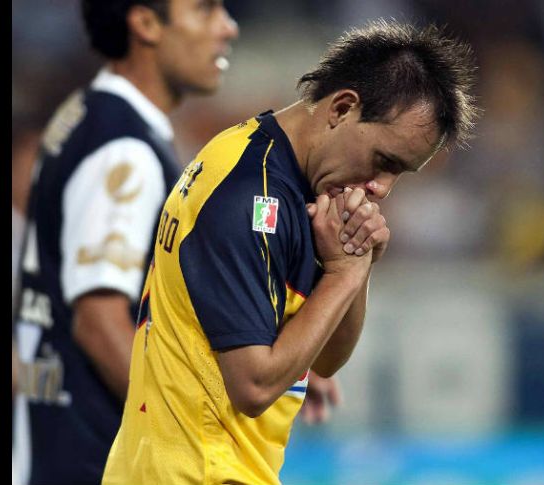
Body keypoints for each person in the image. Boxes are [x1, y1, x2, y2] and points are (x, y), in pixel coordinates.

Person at [102, 18, 479, 485]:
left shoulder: (282, 173)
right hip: (197, 472)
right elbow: (254, 385)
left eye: (401, 174)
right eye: (384, 162)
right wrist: (343, 274)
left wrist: (357, 264)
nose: (382, 188)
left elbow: (324, 358)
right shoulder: (250, 199)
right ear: (342, 107)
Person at [12, 1, 239, 484]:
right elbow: (98, 322)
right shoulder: (123, 149)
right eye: (205, 11)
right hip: (92, 461)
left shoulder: (88, 114)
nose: (227, 28)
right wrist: (195, 442)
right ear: (146, 23)